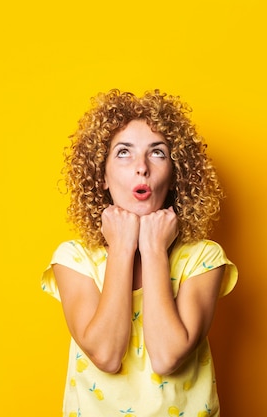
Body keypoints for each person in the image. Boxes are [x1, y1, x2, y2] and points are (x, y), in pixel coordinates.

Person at [41, 89, 238, 417]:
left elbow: (167, 357)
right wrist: (121, 248)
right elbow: (105, 354)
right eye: (123, 153)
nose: (141, 168)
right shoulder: (74, 259)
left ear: (175, 175)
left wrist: (153, 249)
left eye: (157, 153)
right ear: (101, 176)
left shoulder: (203, 259)